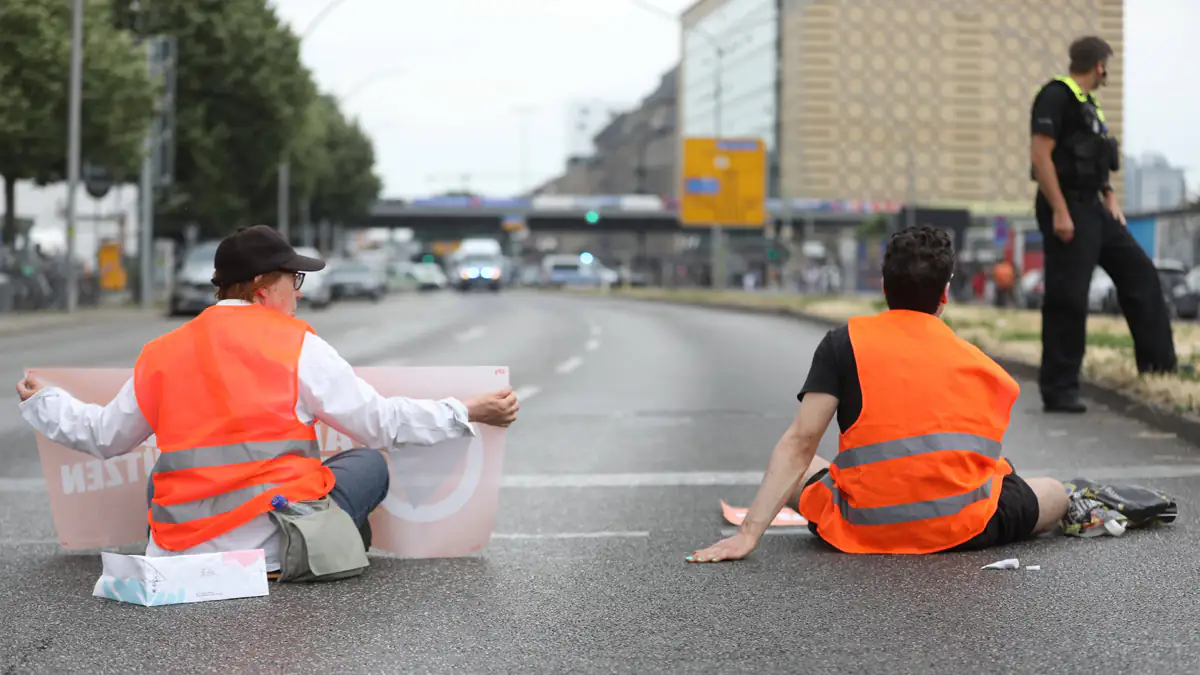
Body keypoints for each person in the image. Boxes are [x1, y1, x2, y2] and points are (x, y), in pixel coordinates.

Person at [16, 225, 520, 581]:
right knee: (367, 463)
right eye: (292, 280)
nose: (298, 295)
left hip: (181, 551)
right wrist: (468, 410)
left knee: (161, 474)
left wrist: (46, 403)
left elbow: (104, 436)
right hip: (277, 545)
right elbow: (380, 424)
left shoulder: (162, 352)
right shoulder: (296, 344)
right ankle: (331, 544)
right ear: (262, 288)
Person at [686, 226, 1069, 562]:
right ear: (945, 293)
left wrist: (748, 534)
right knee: (1052, 491)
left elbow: (799, 443)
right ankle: (1072, 501)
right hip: (961, 528)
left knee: (804, 467)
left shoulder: (843, 343)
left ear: (884, 286)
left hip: (863, 527)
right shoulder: (980, 364)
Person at [1030, 35, 1177, 414]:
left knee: (1141, 275)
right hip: (1066, 206)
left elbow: (1097, 161)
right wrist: (1060, 210)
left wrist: (1110, 198)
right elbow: (1041, 156)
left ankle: (1160, 365)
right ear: (1100, 65)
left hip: (1095, 207)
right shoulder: (1055, 95)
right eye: (1106, 66)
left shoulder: (1091, 106)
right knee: (1069, 296)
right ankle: (1059, 389)